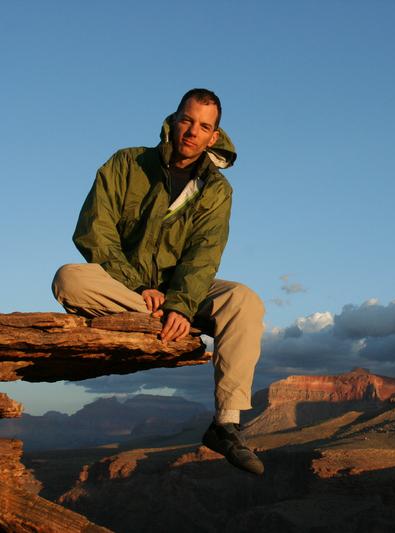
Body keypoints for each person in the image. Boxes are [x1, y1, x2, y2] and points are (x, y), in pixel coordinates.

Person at [51, 89, 265, 475]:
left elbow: (204, 253)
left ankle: (226, 424)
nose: (192, 132)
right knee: (68, 278)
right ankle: (153, 314)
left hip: (183, 290)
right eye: (187, 120)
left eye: (204, 126)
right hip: (124, 287)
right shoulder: (127, 163)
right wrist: (135, 286)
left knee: (244, 299)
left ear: (214, 136)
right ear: (174, 119)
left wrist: (181, 304)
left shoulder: (216, 190)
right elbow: (94, 231)